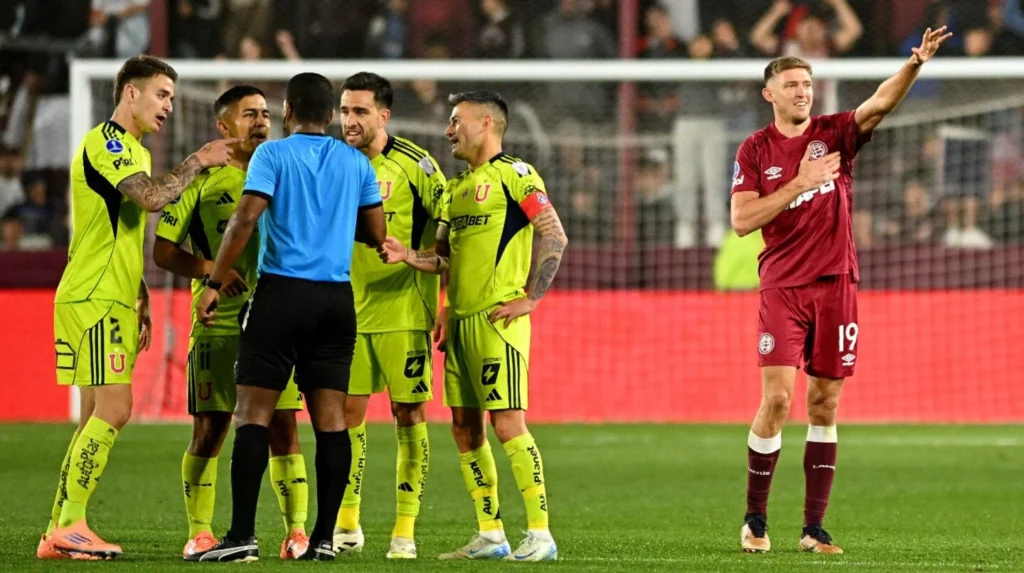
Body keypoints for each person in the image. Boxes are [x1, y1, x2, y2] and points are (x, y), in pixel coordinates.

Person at [729, 28, 952, 554]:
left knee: (825, 403)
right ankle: (756, 519)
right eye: (791, 84)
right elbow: (741, 220)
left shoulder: (834, 133)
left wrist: (914, 64)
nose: (803, 91)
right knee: (779, 399)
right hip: (783, 286)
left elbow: (878, 105)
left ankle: (813, 529)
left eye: (807, 83)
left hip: (838, 287)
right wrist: (798, 185)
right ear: (770, 94)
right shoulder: (755, 149)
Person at [38, 55, 238, 560]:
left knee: (92, 418)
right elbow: (151, 200)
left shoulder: (134, 151)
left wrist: (141, 294)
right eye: (162, 94)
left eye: (172, 97)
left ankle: (58, 530)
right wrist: (198, 161)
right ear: (131, 93)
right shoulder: (107, 143)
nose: (169, 105)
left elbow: (122, 228)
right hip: (94, 296)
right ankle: (72, 525)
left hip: (112, 293)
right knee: (117, 408)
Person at [187, 72, 387, 562]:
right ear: (331, 113)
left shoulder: (272, 156)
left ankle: (241, 536)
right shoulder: (355, 162)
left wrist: (214, 281)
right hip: (336, 302)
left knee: (252, 414)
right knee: (331, 422)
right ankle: (322, 539)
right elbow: (377, 232)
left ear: (289, 109)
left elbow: (247, 217)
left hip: (280, 295)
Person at [380, 90, 568, 561]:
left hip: (496, 321)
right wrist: (410, 258)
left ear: (486, 123)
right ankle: (491, 533)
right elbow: (443, 257)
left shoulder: (516, 175)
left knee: (507, 425)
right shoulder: (453, 189)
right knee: (464, 429)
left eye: (455, 120)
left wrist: (531, 298)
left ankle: (541, 535)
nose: (448, 130)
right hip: (460, 324)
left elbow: (553, 232)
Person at [152, 85, 310, 561]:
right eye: (249, 114)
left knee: (284, 427)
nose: (261, 121)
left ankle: (295, 532)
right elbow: (162, 250)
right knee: (211, 429)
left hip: (278, 320)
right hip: (218, 323)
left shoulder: (286, 170)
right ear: (224, 127)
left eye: (265, 113)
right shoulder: (203, 182)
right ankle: (200, 532)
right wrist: (209, 272)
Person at [333, 72, 448, 560]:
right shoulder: (332, 161)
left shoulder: (416, 165)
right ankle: (347, 523)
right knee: (346, 417)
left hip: (404, 308)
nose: (350, 121)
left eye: (360, 111)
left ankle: (404, 529)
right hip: (345, 310)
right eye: (344, 110)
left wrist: (444, 297)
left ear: (384, 115)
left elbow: (448, 235)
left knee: (408, 414)